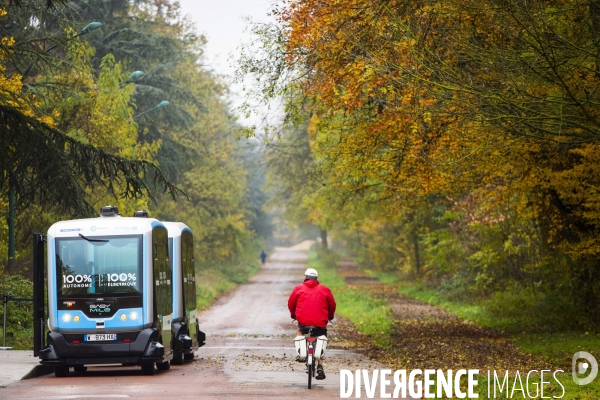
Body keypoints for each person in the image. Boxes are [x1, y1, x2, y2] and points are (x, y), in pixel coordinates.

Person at [288, 267, 336, 380]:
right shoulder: (324, 289)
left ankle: (301, 353)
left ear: (305, 277)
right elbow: (332, 305)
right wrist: (330, 316)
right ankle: (320, 365)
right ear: (316, 278)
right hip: (320, 323)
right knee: (322, 336)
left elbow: (291, 303)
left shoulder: (298, 288)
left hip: (303, 322)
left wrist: (293, 314)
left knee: (300, 331)